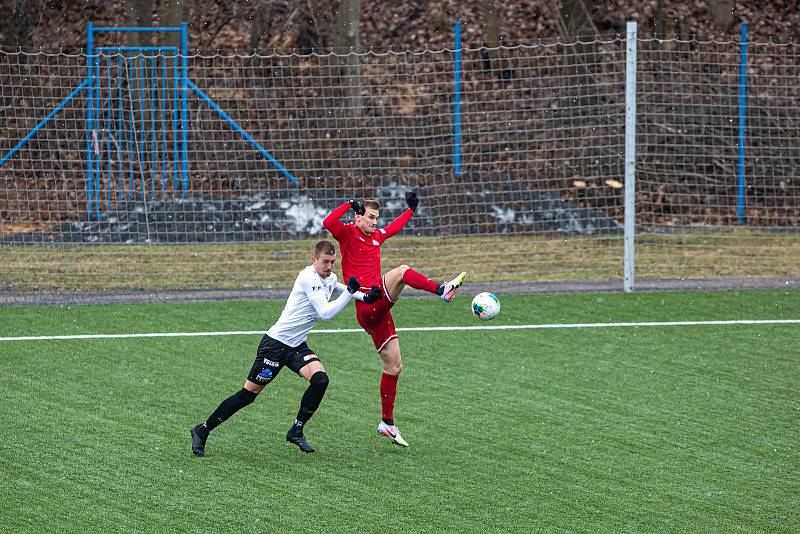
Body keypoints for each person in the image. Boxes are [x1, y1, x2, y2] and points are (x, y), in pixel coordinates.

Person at [190, 240, 381, 456]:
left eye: (332, 262)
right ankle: (202, 430)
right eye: (325, 262)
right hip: (275, 345)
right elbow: (326, 314)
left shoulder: (329, 277)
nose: (329, 266)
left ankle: (296, 430)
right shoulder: (308, 278)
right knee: (248, 395)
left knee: (320, 380)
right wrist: (350, 294)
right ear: (314, 260)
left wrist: (364, 296)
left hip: (296, 345)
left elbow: (337, 287)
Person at [323, 191, 466, 447]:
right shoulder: (347, 233)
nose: (375, 222)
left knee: (394, 367)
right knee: (402, 271)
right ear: (357, 217)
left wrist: (410, 211)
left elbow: (393, 228)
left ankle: (387, 423)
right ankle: (441, 290)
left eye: (376, 218)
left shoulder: (377, 236)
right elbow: (328, 223)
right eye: (370, 217)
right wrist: (347, 204)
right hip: (367, 304)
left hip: (380, 313)